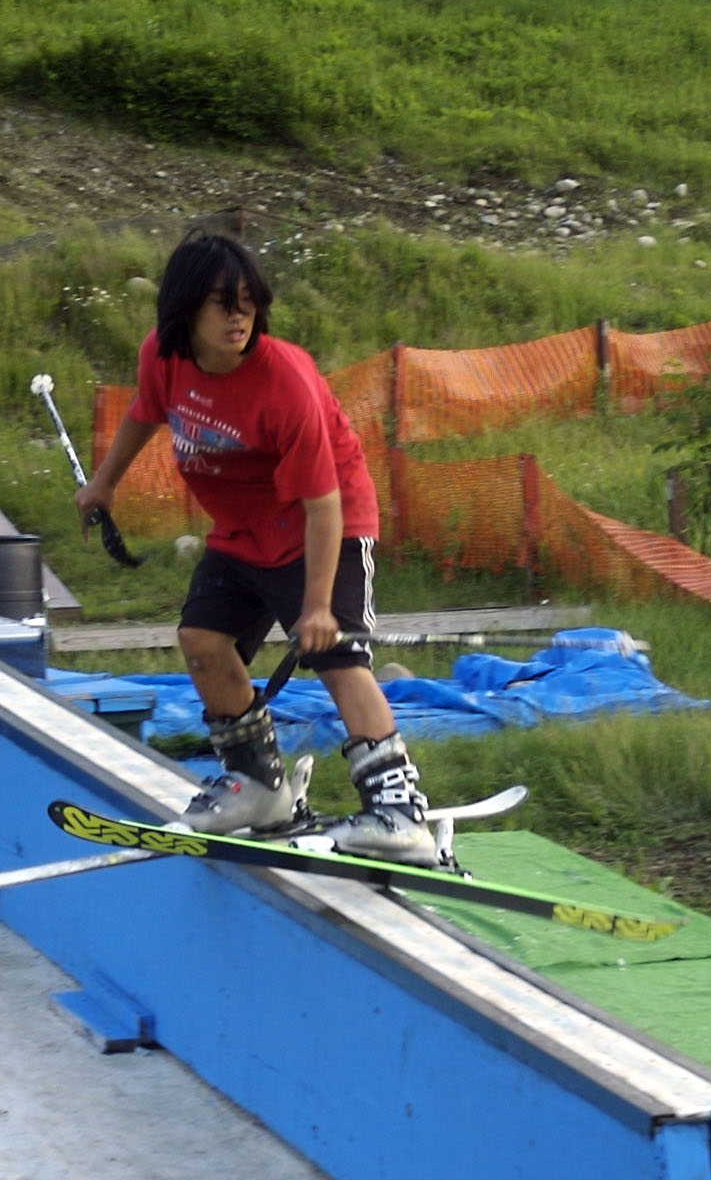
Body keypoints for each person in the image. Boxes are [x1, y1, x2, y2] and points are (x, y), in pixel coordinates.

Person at [74, 233, 438, 865]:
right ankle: (261, 786)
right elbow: (144, 410)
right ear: (186, 310)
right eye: (222, 303)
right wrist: (104, 483)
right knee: (202, 642)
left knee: (340, 658)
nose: (238, 317)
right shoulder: (163, 358)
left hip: (326, 524)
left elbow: (323, 503)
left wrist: (318, 607)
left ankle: (400, 814)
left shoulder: (283, 381)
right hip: (243, 533)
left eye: (248, 303)